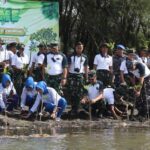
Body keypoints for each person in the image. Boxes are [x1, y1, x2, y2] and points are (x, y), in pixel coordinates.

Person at [67, 42, 88, 115]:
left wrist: (87, 77)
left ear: (82, 48)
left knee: (79, 93)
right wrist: (66, 77)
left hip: (80, 76)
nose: (79, 49)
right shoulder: (71, 56)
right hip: (72, 76)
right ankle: (73, 108)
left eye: (81, 48)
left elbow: (85, 68)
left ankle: (77, 108)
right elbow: (68, 66)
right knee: (72, 92)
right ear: (75, 48)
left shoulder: (85, 57)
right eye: (78, 48)